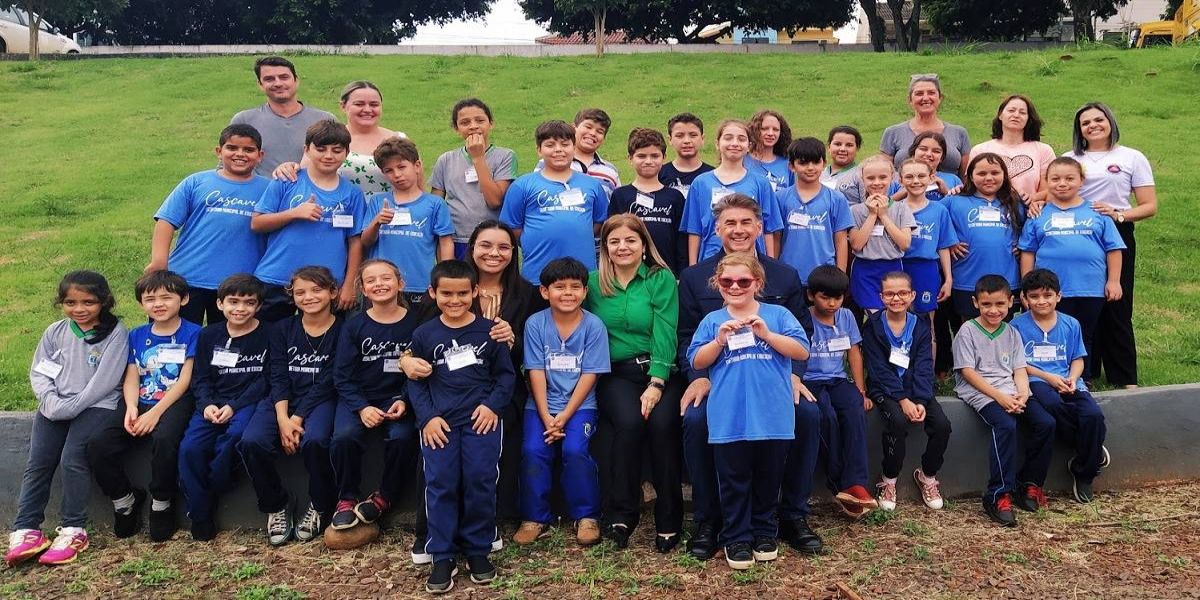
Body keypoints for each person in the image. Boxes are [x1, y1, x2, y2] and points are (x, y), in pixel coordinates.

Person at [675, 194, 820, 559]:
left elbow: (803, 334)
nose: (738, 230)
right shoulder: (694, 277)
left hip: (773, 378)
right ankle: (710, 519)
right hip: (718, 378)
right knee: (696, 420)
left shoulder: (784, 275)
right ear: (717, 229)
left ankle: (792, 515)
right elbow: (687, 336)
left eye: (745, 223)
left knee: (807, 414)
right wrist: (699, 375)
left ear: (759, 227)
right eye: (730, 223)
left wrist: (795, 375)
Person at [401, 220, 542, 564]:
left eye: (504, 247)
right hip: (443, 391)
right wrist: (406, 361)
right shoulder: (450, 285)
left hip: (500, 390)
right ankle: (430, 532)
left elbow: (536, 349)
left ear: (514, 253)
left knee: (491, 446)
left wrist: (513, 340)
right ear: (472, 248)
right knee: (435, 450)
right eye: (486, 245)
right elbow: (417, 342)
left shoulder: (526, 294)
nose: (494, 253)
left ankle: (483, 528)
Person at [687, 253, 810, 570]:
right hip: (729, 417)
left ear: (758, 282)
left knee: (769, 478)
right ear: (717, 283)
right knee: (733, 480)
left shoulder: (778, 315)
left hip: (773, 416)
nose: (735, 287)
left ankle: (765, 532)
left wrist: (767, 335)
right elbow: (697, 360)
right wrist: (719, 341)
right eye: (727, 281)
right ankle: (737, 536)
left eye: (743, 281)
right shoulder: (713, 321)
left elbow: (801, 350)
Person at [408, 260, 516, 593]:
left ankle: (478, 548)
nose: (454, 301)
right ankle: (442, 554)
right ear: (432, 293)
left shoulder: (490, 331)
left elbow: (505, 376)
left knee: (479, 480)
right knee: (440, 483)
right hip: (439, 425)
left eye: (462, 294)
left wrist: (492, 405)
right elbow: (416, 382)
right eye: (446, 294)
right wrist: (427, 417)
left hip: (481, 422)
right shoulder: (424, 335)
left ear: (475, 292)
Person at [7, 272, 128, 566]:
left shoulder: (116, 333)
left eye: (88, 302)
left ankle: (74, 528)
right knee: (39, 462)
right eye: (71, 302)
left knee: (72, 458)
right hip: (54, 406)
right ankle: (26, 528)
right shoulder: (55, 332)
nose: (79, 309)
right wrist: (50, 402)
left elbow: (105, 382)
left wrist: (71, 406)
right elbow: (40, 372)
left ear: (104, 301)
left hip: (96, 406)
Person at [587, 215, 683, 552]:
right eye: (614, 241)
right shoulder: (593, 284)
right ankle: (622, 513)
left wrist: (657, 383)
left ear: (644, 245)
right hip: (617, 373)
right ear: (605, 248)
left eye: (630, 240)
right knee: (628, 423)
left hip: (660, 371)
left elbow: (666, 330)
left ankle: (670, 517)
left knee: (662, 424)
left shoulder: (660, 278)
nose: (622, 247)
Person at [87, 270, 201, 542]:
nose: (158, 304)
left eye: (166, 297)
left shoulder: (194, 333)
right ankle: (124, 499)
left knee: (165, 440)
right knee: (98, 444)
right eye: (150, 299)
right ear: (141, 304)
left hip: (175, 401)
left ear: (184, 299)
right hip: (138, 400)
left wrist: (155, 413)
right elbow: (132, 375)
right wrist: (131, 408)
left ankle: (162, 501)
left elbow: (185, 381)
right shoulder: (136, 335)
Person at [238, 266, 343, 546]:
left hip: (321, 399)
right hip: (282, 398)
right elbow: (278, 375)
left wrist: (297, 418)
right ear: (291, 296)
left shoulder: (343, 329)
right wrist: (283, 418)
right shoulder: (282, 328)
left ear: (333, 292)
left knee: (316, 440)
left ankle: (320, 503)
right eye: (300, 292)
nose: (309, 297)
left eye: (317, 290)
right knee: (252, 441)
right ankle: (276, 503)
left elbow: (330, 380)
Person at [513, 258, 610, 547]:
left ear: (585, 291)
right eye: (559, 287)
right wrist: (546, 415)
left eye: (575, 287)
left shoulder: (593, 326)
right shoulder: (535, 324)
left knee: (575, 450)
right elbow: (535, 371)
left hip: (580, 406)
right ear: (544, 292)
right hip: (540, 405)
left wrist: (565, 416)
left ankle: (587, 516)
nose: (568, 293)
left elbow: (590, 374)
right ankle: (534, 518)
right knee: (533, 450)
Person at [1066, 102, 1157, 389]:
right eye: (1085, 123)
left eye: (1098, 119)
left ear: (1110, 122)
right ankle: (1088, 370)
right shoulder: (1069, 158)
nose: (1093, 125)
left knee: (1117, 301)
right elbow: (1055, 189)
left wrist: (1118, 214)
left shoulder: (1131, 157)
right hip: (1077, 232)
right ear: (1079, 130)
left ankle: (1124, 376)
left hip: (1117, 229)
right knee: (1086, 300)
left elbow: (1149, 205)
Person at [329, 260, 421, 531]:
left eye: (386, 278)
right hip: (359, 397)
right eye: (371, 280)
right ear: (363, 289)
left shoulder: (417, 324)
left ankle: (385, 497)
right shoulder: (353, 326)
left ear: (400, 283)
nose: (379, 284)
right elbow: (342, 376)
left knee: (402, 437)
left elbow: (421, 369)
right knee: (344, 437)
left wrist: (403, 398)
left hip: (399, 397)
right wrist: (361, 407)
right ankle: (346, 497)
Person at [148, 124, 270, 325]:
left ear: (260, 155)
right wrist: (159, 261)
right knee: (174, 336)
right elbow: (166, 221)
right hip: (185, 278)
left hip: (238, 287)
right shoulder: (196, 182)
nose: (240, 154)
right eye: (232, 148)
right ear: (219, 151)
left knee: (227, 341)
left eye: (248, 150)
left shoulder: (269, 188)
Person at [178, 274, 269, 541]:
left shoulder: (269, 333)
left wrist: (234, 406)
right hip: (212, 402)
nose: (240, 308)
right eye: (233, 302)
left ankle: (218, 481)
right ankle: (200, 513)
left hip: (247, 402)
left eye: (249, 303)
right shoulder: (208, 335)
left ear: (259, 306)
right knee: (190, 448)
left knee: (235, 436)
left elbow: (265, 379)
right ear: (219, 304)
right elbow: (200, 377)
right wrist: (206, 404)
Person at [1018, 157, 1125, 378]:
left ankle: (1082, 380)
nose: (1062, 183)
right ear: (1047, 182)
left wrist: (1114, 281)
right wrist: (1027, 287)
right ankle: (1048, 378)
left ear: (1081, 180)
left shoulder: (1097, 212)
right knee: (1052, 333)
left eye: (1069, 178)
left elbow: (1114, 249)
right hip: (1049, 291)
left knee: (1084, 335)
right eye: (1055, 179)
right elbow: (1028, 252)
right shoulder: (1038, 214)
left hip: (1090, 287)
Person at [1012, 269, 1110, 505]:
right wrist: (1048, 377)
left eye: (1047, 295)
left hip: (1069, 381)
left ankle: (1084, 472)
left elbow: (1078, 358)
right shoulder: (1016, 326)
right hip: (1037, 380)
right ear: (1024, 298)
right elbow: (1018, 364)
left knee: (1093, 415)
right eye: (1034, 296)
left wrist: (1072, 378)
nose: (1041, 301)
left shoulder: (1071, 324)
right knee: (1052, 403)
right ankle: (1091, 449)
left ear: (1058, 296)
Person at [252, 120, 367, 321]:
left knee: (323, 338)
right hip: (278, 277)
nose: (328, 156)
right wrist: (294, 213)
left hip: (327, 283)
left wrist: (350, 284)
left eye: (336, 150)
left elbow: (355, 241)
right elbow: (257, 223)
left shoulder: (352, 194)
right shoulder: (287, 180)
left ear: (347, 153)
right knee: (269, 336)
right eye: (321, 149)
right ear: (307, 150)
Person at [952, 275, 1037, 527]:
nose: (993, 310)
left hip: (1010, 390)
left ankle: (1029, 483)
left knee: (1045, 422)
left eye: (1000, 304)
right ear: (975, 303)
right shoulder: (967, 331)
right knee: (1005, 425)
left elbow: (1019, 369)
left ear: (1011, 302)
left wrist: (1023, 393)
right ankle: (998, 494)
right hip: (980, 391)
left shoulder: (1011, 332)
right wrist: (1000, 397)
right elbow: (967, 372)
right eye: (986, 304)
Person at [863, 272, 950, 512]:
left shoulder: (920, 323)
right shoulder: (873, 327)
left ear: (912, 295)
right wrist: (902, 400)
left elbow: (924, 363)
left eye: (902, 293)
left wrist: (920, 400)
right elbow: (878, 369)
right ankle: (888, 480)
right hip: (885, 390)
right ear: (881, 297)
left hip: (916, 390)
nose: (896, 298)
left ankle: (927, 476)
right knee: (898, 422)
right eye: (890, 294)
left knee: (942, 425)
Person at [801, 266, 877, 518]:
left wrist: (860, 390)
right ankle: (840, 486)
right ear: (811, 295)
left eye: (838, 297)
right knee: (826, 418)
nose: (832, 304)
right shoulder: (803, 318)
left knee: (854, 410)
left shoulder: (846, 316)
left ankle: (856, 483)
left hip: (837, 380)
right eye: (825, 297)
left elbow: (854, 353)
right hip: (810, 381)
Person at [500, 120, 608, 284]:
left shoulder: (592, 185)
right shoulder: (522, 185)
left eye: (565, 144)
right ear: (539, 150)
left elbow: (599, 223)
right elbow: (511, 227)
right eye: (550, 145)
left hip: (582, 275)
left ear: (574, 147)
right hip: (537, 274)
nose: (558, 150)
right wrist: (533, 240)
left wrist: (574, 232)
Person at [359, 137, 455, 306]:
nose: (397, 174)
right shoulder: (377, 202)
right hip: (381, 285)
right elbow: (366, 241)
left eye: (402, 167)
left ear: (416, 166)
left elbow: (445, 242)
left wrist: (445, 277)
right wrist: (376, 222)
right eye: (389, 170)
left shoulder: (434, 203)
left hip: (420, 284)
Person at [271, 81, 408, 197]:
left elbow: (415, 183)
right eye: (359, 104)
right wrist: (288, 168)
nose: (367, 109)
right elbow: (305, 178)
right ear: (343, 106)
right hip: (339, 214)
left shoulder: (399, 140)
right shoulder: (327, 137)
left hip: (388, 215)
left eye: (374, 104)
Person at [681, 119, 782, 264]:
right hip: (711, 259)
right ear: (717, 143)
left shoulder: (761, 183)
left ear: (749, 146)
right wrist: (693, 267)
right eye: (728, 138)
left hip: (751, 262)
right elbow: (694, 230)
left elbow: (769, 229)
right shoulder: (700, 183)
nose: (735, 143)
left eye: (741, 139)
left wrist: (770, 265)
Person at [431, 98, 517, 258]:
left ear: (491, 123)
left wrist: (478, 158)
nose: (473, 126)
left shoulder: (505, 156)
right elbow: (435, 205)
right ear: (456, 128)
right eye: (465, 122)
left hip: (492, 240)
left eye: (480, 120)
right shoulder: (446, 159)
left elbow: (494, 201)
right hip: (455, 240)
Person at [944, 153, 1024, 320]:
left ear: (1004, 175)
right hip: (967, 281)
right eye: (981, 173)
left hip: (1007, 280)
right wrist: (949, 241)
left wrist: (1022, 246)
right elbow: (932, 218)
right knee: (969, 329)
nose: (988, 178)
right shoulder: (954, 201)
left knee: (1005, 329)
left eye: (995, 173)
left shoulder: (1016, 202)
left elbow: (1033, 229)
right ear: (970, 177)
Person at [230, 56, 335, 176]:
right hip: (261, 188)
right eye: (269, 79)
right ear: (260, 84)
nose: (278, 83)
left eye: (284, 77)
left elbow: (339, 162)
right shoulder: (244, 120)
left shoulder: (324, 120)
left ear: (296, 80)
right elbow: (227, 166)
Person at [775, 137, 854, 288]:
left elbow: (840, 240)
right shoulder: (780, 198)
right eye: (803, 163)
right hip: (788, 276)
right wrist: (774, 270)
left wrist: (840, 275)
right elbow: (775, 238)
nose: (810, 168)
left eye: (816, 162)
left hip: (825, 276)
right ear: (791, 166)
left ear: (824, 164)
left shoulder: (836, 198)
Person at [607, 128, 687, 274]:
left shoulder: (675, 196)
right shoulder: (620, 195)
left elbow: (681, 241)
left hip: (667, 272)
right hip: (629, 272)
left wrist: (681, 273)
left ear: (664, 157)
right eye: (641, 156)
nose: (648, 161)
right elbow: (611, 236)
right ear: (630, 158)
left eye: (655, 156)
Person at [848, 157, 915, 312]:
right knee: (874, 313)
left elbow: (905, 244)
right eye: (870, 178)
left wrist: (883, 215)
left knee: (892, 312)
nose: (877, 182)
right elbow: (856, 245)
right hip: (865, 268)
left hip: (892, 267)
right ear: (862, 179)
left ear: (892, 178)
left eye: (883, 177)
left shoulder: (901, 209)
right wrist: (872, 215)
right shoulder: (855, 211)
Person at [968, 94, 1056, 206]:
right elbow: (971, 186)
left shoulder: (1043, 150)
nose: (1016, 115)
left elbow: (1049, 189)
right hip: (988, 210)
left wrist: (1032, 199)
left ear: (1028, 118)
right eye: (1011, 110)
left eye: (1022, 112)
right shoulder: (980, 150)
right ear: (1000, 115)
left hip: (1030, 210)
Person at [898, 159, 957, 316]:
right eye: (909, 177)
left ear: (931, 178)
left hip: (926, 268)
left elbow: (943, 246)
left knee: (925, 317)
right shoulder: (895, 209)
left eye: (921, 176)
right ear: (900, 180)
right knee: (898, 314)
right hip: (899, 266)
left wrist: (948, 279)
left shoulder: (939, 210)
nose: (915, 181)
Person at [880, 74, 971, 174]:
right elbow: (884, 174)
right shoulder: (893, 133)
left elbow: (965, 176)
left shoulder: (959, 133)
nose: (926, 98)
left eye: (931, 93)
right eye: (919, 94)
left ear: (940, 98)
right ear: (909, 100)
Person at [888, 132, 963, 204]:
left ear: (941, 158)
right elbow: (885, 205)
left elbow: (962, 208)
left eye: (936, 151)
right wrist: (907, 190)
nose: (929, 154)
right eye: (923, 149)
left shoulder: (953, 179)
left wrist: (946, 191)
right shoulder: (895, 179)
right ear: (913, 152)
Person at [659, 113, 714, 198]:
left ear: (702, 139)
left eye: (693, 135)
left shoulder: (713, 175)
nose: (687, 141)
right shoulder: (659, 174)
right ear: (670, 140)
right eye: (679, 136)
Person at [744, 109, 794, 192]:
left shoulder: (787, 164)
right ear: (754, 130)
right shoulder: (742, 160)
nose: (771, 133)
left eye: (775, 129)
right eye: (764, 129)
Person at [821, 125, 864, 205]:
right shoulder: (819, 173)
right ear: (829, 147)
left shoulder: (861, 174)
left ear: (857, 148)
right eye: (837, 144)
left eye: (849, 145)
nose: (842, 149)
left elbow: (868, 206)